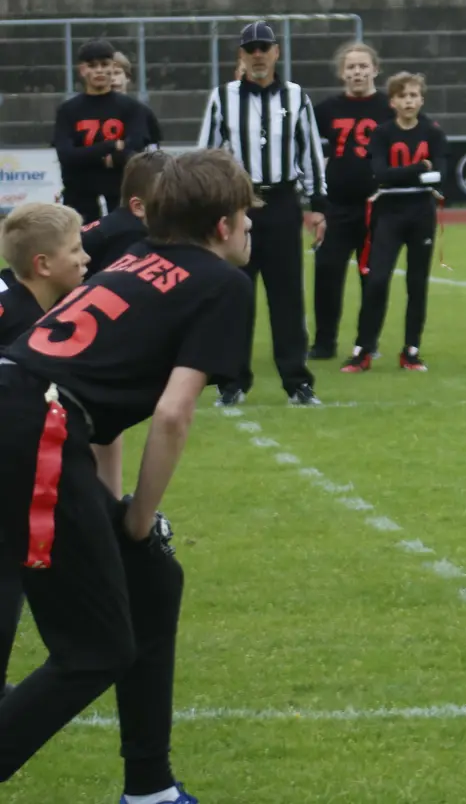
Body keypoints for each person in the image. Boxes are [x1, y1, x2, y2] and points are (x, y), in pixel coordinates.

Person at [0, 148, 255, 803]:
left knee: (153, 583)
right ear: (223, 226)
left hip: (29, 411)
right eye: (248, 219)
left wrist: (118, 519)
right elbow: (172, 414)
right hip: (35, 427)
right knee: (95, 649)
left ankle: (150, 787)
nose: (253, 230)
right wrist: (137, 518)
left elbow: (103, 413)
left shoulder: (131, 259)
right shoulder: (223, 283)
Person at [197, 20, 327, 407]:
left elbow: (311, 154)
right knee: (236, 294)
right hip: (239, 205)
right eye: (250, 49)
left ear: (276, 53)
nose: (257, 55)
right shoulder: (223, 97)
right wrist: (210, 207)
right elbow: (206, 155)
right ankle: (232, 381)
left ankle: (297, 381)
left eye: (263, 48)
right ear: (241, 54)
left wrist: (318, 206)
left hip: (284, 203)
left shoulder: (296, 96)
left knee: (288, 295)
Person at [0, 203, 90, 703]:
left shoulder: (25, 302)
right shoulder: (19, 317)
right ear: (42, 265)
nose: (85, 259)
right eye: (75, 250)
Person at [80, 151, 172, 503]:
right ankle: (104, 502)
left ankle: (109, 500)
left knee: (104, 426)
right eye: (171, 201)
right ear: (139, 206)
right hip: (49, 339)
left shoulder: (117, 227)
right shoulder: (127, 239)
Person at [343, 72, 445, 373]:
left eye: (414, 95)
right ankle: (363, 349)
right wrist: (419, 168)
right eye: (402, 96)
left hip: (421, 212)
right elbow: (380, 174)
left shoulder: (433, 132)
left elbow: (441, 173)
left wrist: (415, 173)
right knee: (377, 280)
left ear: (421, 99)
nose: (409, 101)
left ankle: (411, 350)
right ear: (393, 101)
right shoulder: (383, 133)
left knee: (417, 284)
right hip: (389, 212)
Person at [311, 41, 393, 360]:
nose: (357, 72)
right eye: (351, 67)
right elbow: (309, 151)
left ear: (375, 69)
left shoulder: (389, 108)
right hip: (337, 206)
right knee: (327, 273)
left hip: (378, 206)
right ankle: (324, 342)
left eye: (362, 66)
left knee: (373, 277)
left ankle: (367, 342)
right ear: (341, 73)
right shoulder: (326, 110)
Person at [52, 40, 153, 224]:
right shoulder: (68, 111)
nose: (99, 70)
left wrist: (86, 156)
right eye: (92, 66)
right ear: (82, 70)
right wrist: (111, 146)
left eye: (104, 65)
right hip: (80, 197)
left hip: (121, 196)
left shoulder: (132, 108)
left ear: (112, 67)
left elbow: (135, 153)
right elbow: (66, 156)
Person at [109, 51, 165, 149]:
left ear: (127, 77)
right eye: (108, 74)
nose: (112, 78)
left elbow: (154, 148)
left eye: (117, 73)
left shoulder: (142, 112)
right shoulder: (90, 111)